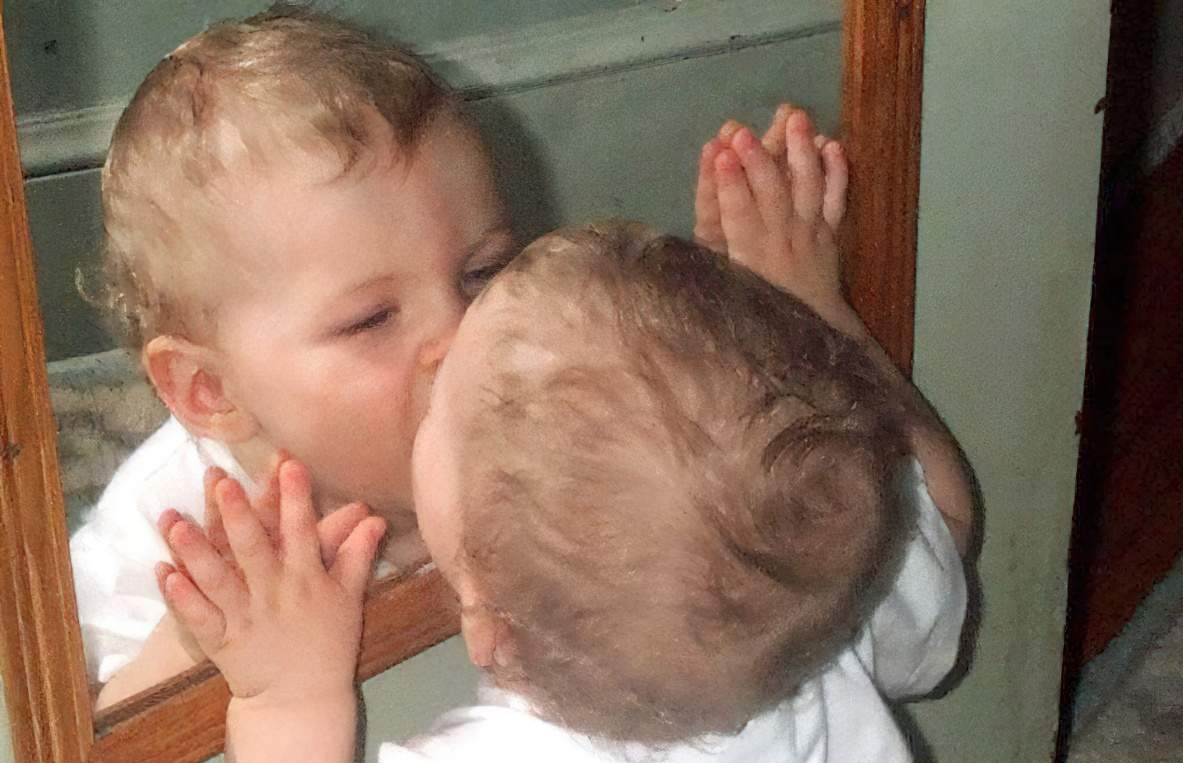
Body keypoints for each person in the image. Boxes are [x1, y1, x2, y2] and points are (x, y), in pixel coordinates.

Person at [157, 124, 975, 763]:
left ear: (487, 627)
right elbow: (943, 513)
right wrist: (814, 309)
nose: (440, 349)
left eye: (448, 405)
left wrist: (288, 698)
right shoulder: (816, 624)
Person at [71, 5, 851, 710]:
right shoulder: (174, 521)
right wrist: (195, 640)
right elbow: (95, 745)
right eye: (372, 317)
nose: (464, 336)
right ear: (209, 390)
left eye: (482, 272)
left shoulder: (554, 399)